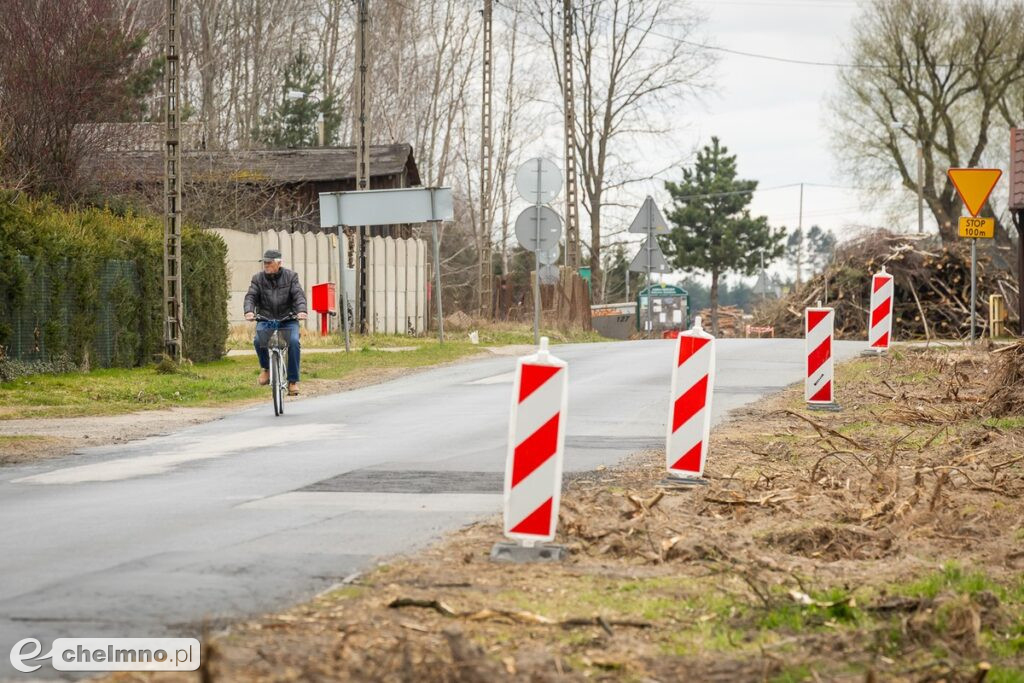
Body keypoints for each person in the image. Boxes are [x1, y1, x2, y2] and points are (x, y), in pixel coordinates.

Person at [243, 249, 308, 395]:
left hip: (288, 318)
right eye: (264, 262)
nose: (266, 265)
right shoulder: (257, 278)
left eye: (269, 262)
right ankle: (266, 369)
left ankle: (292, 381)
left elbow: (298, 295)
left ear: (279, 263)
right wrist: (249, 311)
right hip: (265, 318)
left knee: (293, 342)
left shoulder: (291, 277)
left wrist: (301, 310)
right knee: (258, 340)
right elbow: (251, 296)